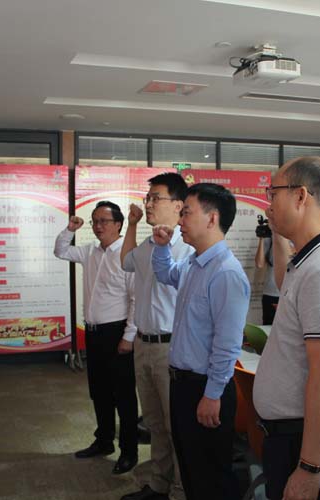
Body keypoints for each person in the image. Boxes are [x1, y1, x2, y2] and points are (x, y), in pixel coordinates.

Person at [253, 156, 320, 500]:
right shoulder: (309, 258)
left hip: (307, 444)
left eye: (273, 194)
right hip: (293, 436)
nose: (269, 204)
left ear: (300, 196)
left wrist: (309, 467)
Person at [151, 183, 250, 500]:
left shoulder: (226, 273)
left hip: (205, 388)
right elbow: (165, 274)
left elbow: (227, 344)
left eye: (186, 213)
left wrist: (212, 394)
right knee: (191, 467)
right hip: (182, 384)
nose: (180, 221)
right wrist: (162, 247)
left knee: (211, 476)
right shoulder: (194, 264)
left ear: (212, 218)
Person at [120, 173, 193, 500]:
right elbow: (125, 261)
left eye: (155, 198)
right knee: (154, 423)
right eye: (147, 198)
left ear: (178, 205)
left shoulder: (188, 248)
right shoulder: (148, 245)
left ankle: (179, 491)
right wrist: (133, 225)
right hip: (143, 344)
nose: (148, 203)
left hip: (171, 347)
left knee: (176, 425)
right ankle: (158, 485)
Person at [53, 201, 139, 475]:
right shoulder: (89, 251)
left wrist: (128, 336)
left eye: (104, 221)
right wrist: (70, 229)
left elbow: (136, 299)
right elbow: (60, 250)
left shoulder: (128, 255)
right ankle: (104, 441)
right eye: (95, 221)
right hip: (93, 333)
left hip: (117, 334)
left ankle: (129, 451)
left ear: (118, 224)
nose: (98, 226)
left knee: (123, 396)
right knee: (99, 392)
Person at [255, 232, 279, 325]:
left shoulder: (296, 234)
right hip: (271, 293)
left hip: (290, 294)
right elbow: (259, 264)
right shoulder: (271, 235)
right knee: (268, 327)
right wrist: (262, 238)